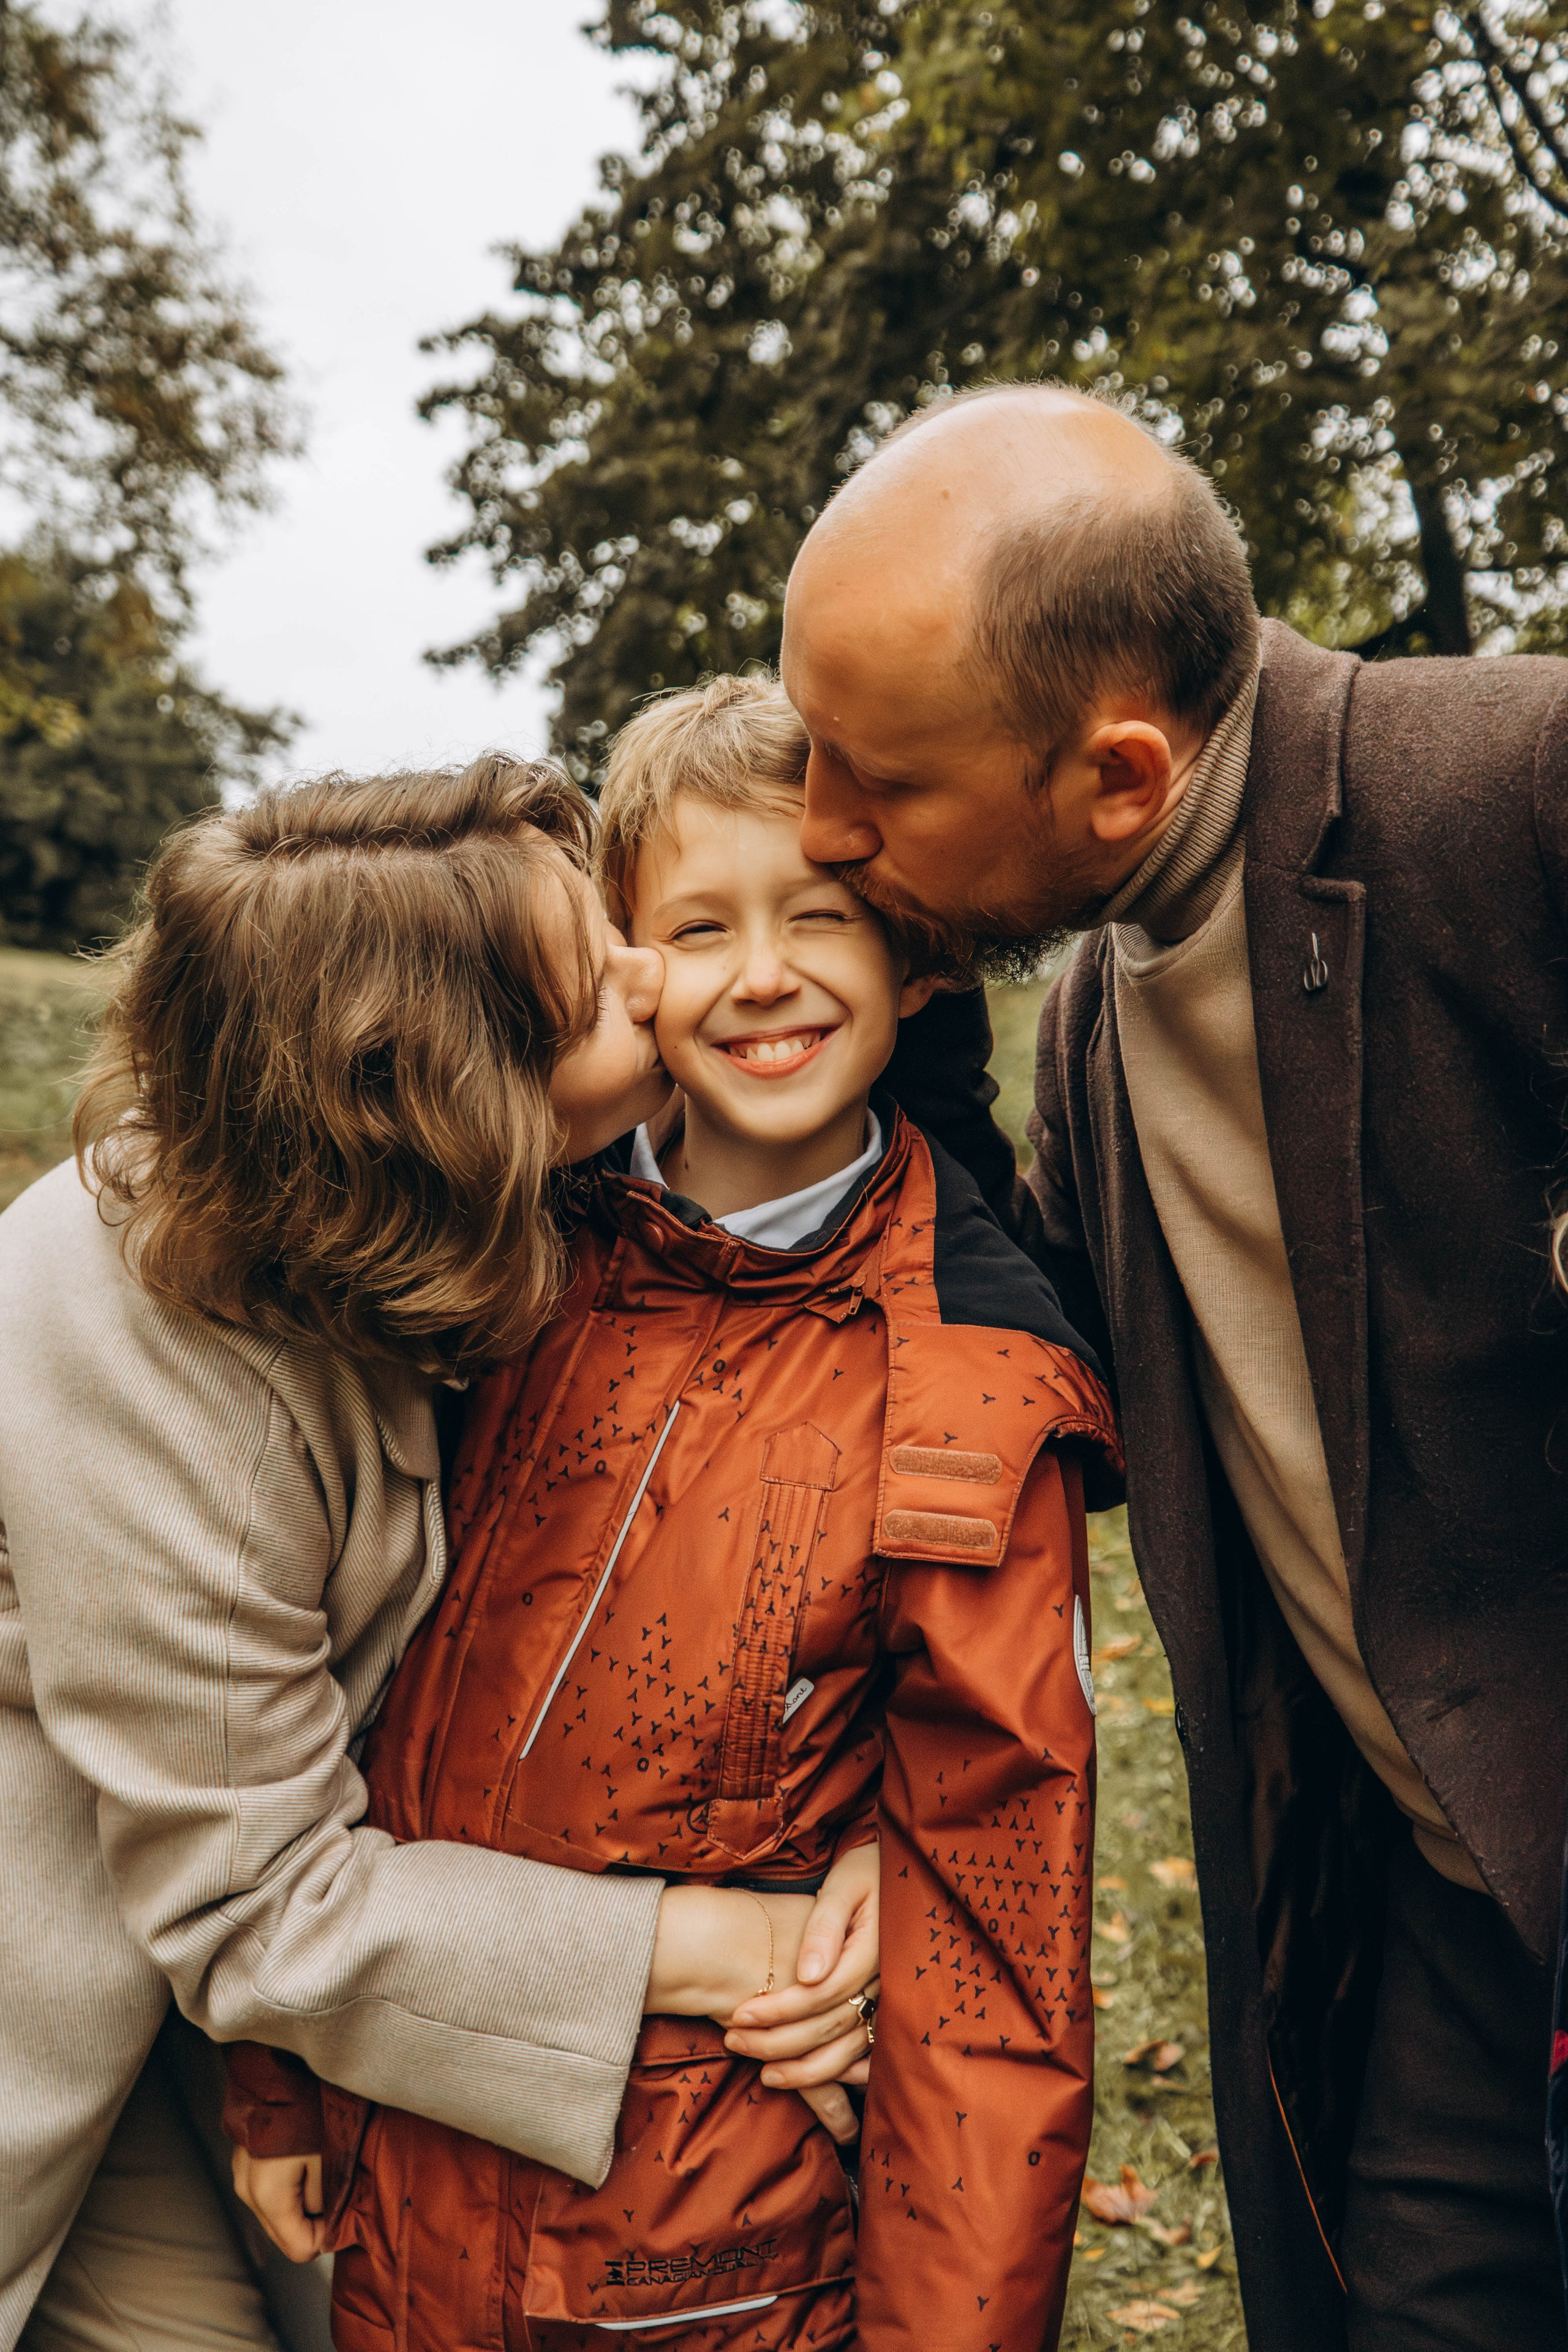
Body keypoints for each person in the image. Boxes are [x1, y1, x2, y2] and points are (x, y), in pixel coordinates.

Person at [779, 382, 1568, 2352]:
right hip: (1437, 1925)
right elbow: (1111, 1405)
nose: (818, 825)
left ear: (1120, 775)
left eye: (875, 779)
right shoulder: (1096, 1012)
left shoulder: (1519, 783)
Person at [220, 675, 1120, 2352]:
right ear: (620, 970)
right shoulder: (492, 1273)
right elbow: (325, 1706)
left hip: (700, 2268)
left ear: (920, 957)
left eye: (823, 919)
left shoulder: (973, 1390)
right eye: (698, 926)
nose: (762, 973)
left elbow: (991, 1965)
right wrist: (278, 2082)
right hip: (400, 2175)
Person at [0, 756, 881, 2352]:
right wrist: (742, 1941)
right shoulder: (120, 1343)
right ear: (458, 1111)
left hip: (225, 1997)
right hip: (52, 1973)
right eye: (603, 987)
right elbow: (260, 1905)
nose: (655, 973)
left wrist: (889, 1820)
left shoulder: (443, 1198)